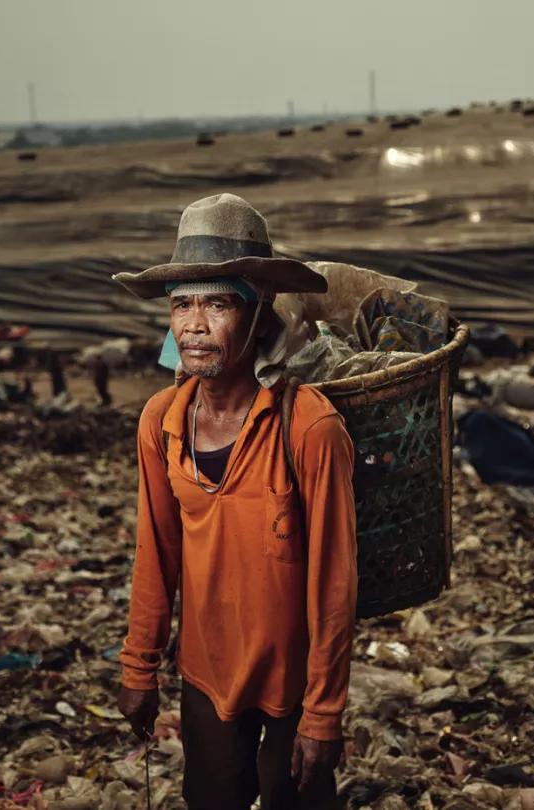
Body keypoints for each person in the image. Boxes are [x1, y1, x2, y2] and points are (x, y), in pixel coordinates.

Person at [112, 193, 358, 809]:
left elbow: (334, 582)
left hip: (293, 681)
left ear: (255, 315)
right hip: (205, 669)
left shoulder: (308, 426)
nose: (194, 324)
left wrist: (323, 714)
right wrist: (139, 666)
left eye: (217, 304)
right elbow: (156, 552)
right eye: (181, 305)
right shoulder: (161, 420)